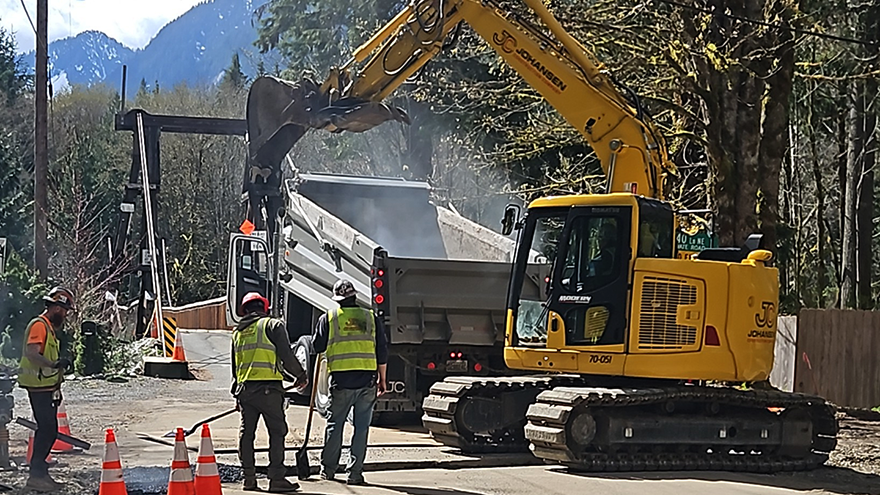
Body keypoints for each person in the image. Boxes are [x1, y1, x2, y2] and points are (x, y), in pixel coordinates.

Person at [313, 280, 388, 485]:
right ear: (355, 296)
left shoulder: (329, 318)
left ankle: (328, 470)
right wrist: (383, 379)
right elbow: (382, 350)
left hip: (341, 382)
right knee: (361, 427)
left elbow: (317, 346)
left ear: (337, 298)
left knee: (335, 425)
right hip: (367, 382)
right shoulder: (370, 317)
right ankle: (355, 473)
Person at [232, 292, 306, 493]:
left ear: (244, 311)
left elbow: (235, 367)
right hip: (268, 391)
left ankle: (249, 479)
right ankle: (276, 479)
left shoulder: (238, 333)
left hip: (245, 391)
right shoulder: (272, 325)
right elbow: (287, 355)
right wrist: (300, 375)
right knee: (277, 431)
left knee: (246, 434)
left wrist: (236, 395)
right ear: (264, 307)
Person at [19, 287, 74, 492]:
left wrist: (57, 366)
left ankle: (40, 473)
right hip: (38, 386)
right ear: (55, 307)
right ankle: (36, 475)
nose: (66, 314)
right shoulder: (39, 325)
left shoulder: (48, 327)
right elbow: (32, 353)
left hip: (46, 386)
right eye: (64, 309)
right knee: (47, 429)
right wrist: (53, 365)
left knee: (49, 430)